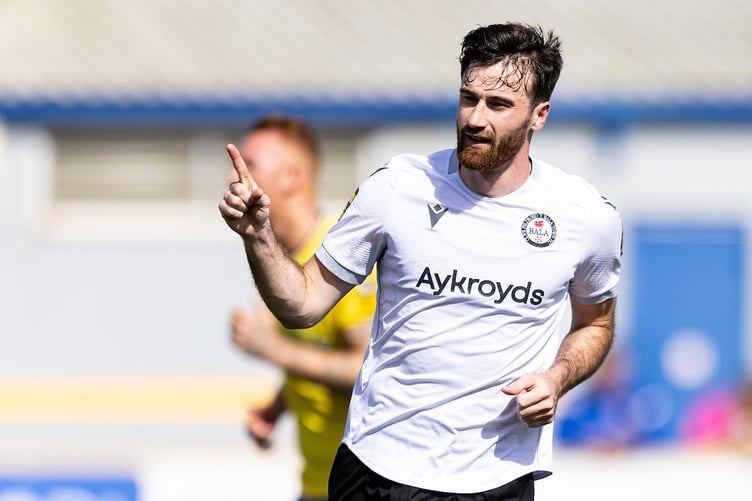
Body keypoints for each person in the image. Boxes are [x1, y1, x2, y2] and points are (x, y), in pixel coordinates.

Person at [220, 23, 622, 501]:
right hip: (376, 468)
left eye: (498, 105)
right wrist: (258, 235)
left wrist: (556, 379)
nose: (475, 118)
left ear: (539, 115)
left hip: (494, 480)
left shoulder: (585, 217)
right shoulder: (396, 187)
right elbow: (301, 305)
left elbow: (595, 326)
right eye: (468, 97)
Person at [227, 116, 377, 501]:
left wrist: (272, 348)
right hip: (317, 484)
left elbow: (367, 368)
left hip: (364, 486)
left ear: (292, 178)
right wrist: (278, 407)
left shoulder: (339, 257)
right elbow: (319, 353)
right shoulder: (281, 260)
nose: (235, 179)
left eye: (251, 165)